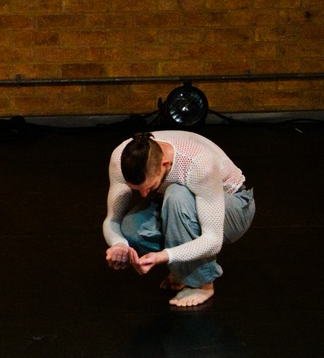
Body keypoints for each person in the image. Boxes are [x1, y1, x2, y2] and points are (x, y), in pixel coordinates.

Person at [102, 130, 256, 309]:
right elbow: (112, 220)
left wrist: (164, 256)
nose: (143, 195)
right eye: (138, 189)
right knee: (131, 228)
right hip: (183, 202)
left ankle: (201, 284)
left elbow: (213, 240)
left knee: (177, 194)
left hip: (235, 208)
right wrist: (119, 244)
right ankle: (183, 269)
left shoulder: (197, 164)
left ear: (165, 164)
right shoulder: (121, 158)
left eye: (149, 187)